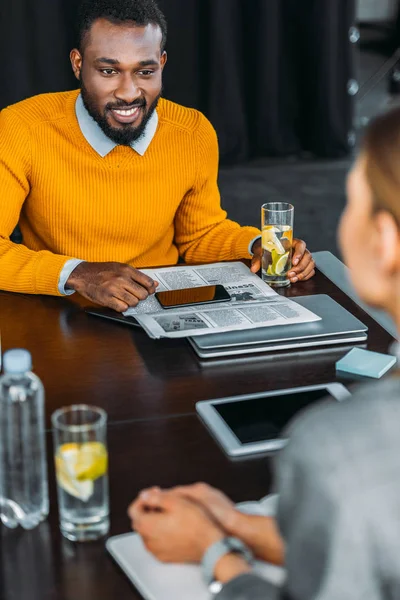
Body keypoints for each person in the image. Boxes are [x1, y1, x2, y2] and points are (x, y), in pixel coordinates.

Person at [128, 106, 400, 599]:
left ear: (385, 242)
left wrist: (216, 556)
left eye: (353, 202)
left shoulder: (335, 449)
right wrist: (237, 523)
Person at [0, 0, 315, 312]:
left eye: (145, 71)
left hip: (161, 310)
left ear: (161, 63)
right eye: (109, 71)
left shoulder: (192, 132)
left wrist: (255, 246)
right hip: (62, 312)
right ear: (78, 64)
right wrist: (79, 273)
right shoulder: (21, 128)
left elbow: (199, 235)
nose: (128, 92)